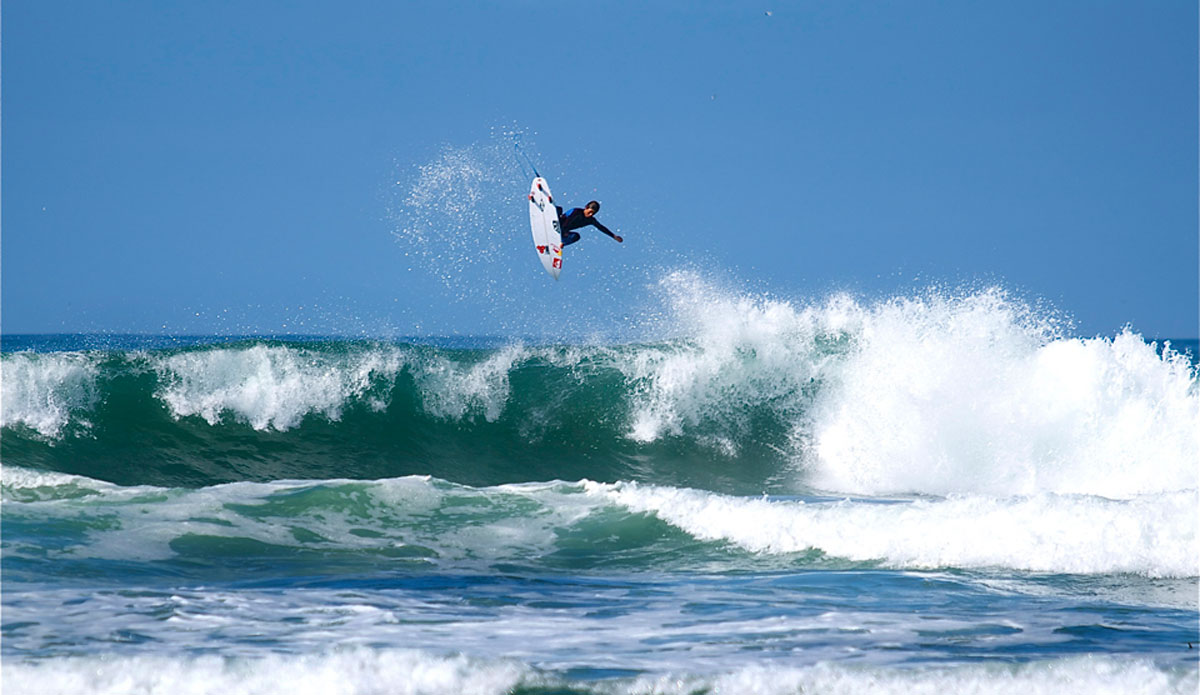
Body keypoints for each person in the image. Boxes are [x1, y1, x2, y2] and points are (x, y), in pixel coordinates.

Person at [555, 200, 623, 247]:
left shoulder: (590, 220)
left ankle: (560, 244)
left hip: (562, 232)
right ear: (586, 207)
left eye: (593, 213)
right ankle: (545, 207)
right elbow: (568, 221)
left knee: (576, 236)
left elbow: (601, 227)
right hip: (558, 222)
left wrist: (614, 236)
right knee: (559, 209)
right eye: (590, 212)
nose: (591, 214)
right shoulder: (576, 211)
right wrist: (565, 231)